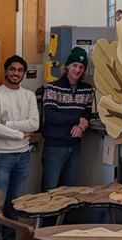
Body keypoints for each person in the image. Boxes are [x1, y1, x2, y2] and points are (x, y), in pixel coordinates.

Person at [0, 55, 39, 240]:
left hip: (23, 156)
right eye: (12, 69)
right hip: (0, 157)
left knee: (14, 205)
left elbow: (35, 124)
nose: (16, 73)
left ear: (24, 73)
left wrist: (8, 125)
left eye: (20, 70)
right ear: (5, 71)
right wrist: (20, 134)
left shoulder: (29, 96)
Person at [41, 47, 93, 192]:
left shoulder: (87, 89)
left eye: (81, 67)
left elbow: (88, 113)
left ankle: (66, 216)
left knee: (70, 190)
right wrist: (76, 120)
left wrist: (81, 125)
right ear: (67, 66)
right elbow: (50, 115)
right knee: (49, 189)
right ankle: (47, 216)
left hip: (75, 145)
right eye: (75, 65)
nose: (78, 70)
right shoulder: (53, 87)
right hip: (55, 146)